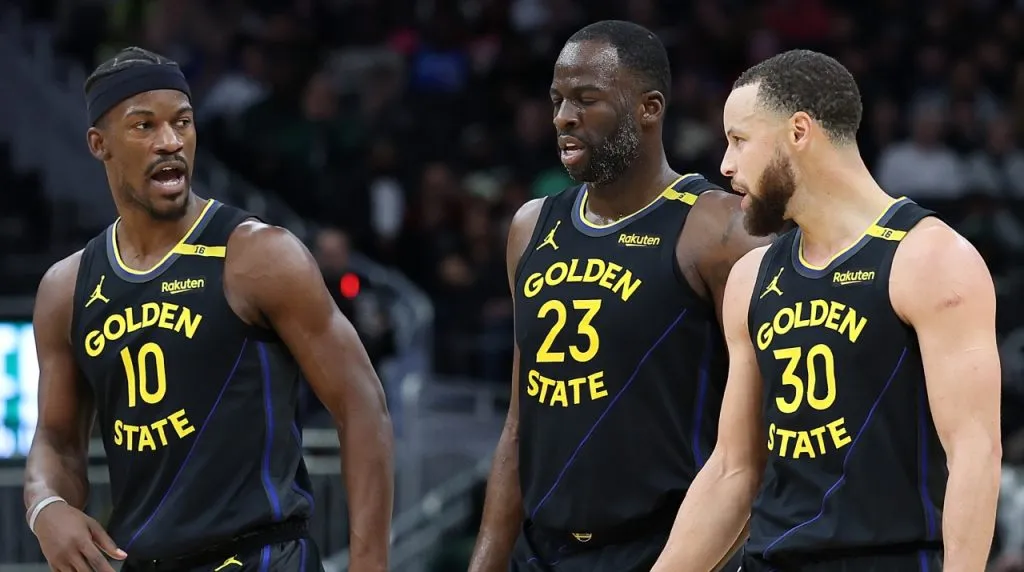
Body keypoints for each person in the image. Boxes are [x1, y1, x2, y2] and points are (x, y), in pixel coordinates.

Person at [23, 47, 394, 572]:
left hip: (261, 556)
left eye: (182, 122)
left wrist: (370, 565)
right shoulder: (66, 289)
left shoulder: (258, 255)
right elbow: (57, 441)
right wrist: (47, 505)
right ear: (98, 144)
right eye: (144, 126)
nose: (170, 142)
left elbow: (362, 406)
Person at [652, 49, 1002, 572]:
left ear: (799, 131)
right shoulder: (753, 276)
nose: (725, 164)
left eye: (739, 140)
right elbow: (732, 470)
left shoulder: (929, 258)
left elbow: (975, 454)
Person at [468, 21, 770, 572]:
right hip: (542, 550)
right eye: (557, 99)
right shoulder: (531, 227)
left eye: (587, 99)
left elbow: (765, 437)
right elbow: (519, 422)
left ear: (648, 109)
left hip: (667, 548)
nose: (563, 116)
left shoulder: (720, 231)